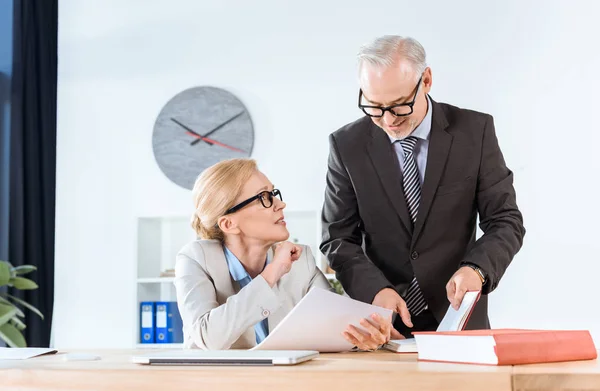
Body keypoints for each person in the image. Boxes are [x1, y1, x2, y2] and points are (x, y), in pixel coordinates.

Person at [320, 35, 526, 338]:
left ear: (426, 80)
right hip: (383, 324)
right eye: (374, 106)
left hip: (460, 318)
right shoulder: (346, 145)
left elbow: (505, 221)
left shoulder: (474, 132)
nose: (388, 120)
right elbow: (337, 238)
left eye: (399, 106)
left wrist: (477, 270)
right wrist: (374, 291)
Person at [174, 158, 398, 350]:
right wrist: (272, 273)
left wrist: (364, 336)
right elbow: (209, 338)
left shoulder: (302, 261)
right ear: (228, 223)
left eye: (274, 193)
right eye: (264, 197)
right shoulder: (195, 259)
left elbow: (335, 326)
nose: (280, 204)